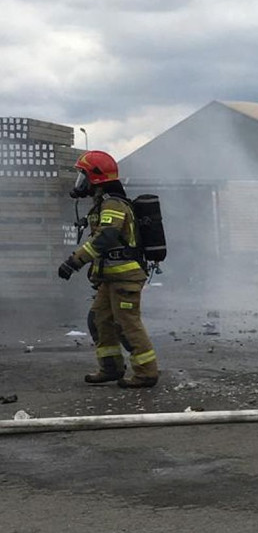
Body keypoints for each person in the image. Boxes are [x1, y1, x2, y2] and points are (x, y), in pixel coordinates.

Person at [57, 150, 160, 388]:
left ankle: (146, 373)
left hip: (126, 276)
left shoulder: (113, 203)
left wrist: (74, 262)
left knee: (127, 323)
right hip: (112, 278)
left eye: (83, 177)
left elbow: (106, 238)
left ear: (96, 178)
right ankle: (111, 368)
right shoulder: (104, 203)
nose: (80, 183)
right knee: (99, 319)